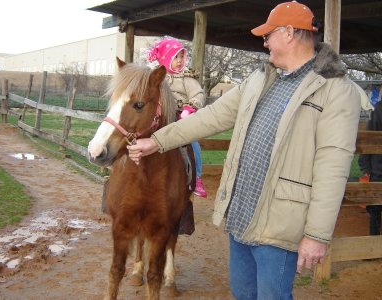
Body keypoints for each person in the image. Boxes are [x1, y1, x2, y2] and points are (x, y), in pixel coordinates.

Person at [128, 1, 361, 299]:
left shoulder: (336, 91)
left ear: (289, 33)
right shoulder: (260, 79)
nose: (264, 44)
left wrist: (316, 235)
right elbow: (210, 117)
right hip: (241, 216)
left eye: (268, 36)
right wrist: (158, 141)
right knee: (242, 294)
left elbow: (333, 168)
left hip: (280, 225)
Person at [147, 37, 207, 197]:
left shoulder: (187, 78)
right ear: (166, 58)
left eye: (182, 56)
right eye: (176, 57)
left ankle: (197, 176)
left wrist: (190, 108)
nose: (180, 61)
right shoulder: (157, 78)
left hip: (182, 118)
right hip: (162, 117)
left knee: (192, 144)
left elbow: (198, 94)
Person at [358, 99, 382, 235]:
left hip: (378, 168)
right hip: (378, 168)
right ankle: (372, 246)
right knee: (375, 208)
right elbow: (369, 137)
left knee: (375, 208)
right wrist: (365, 166)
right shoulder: (379, 108)